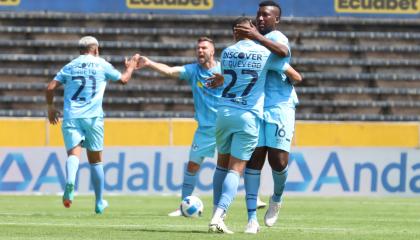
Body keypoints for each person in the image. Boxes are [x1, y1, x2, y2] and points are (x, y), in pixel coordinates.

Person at [208, 17, 301, 234]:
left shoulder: (227, 53)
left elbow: (231, 73)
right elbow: (290, 66)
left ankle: (216, 211)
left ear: (234, 33)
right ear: (250, 30)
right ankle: (218, 215)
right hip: (248, 116)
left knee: (221, 164)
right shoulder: (264, 54)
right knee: (237, 168)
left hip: (224, 112)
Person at [45, 36, 140, 214]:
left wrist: (51, 108)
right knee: (96, 161)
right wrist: (131, 67)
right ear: (96, 49)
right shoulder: (101, 64)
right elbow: (124, 80)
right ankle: (98, 202)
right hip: (94, 118)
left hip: (72, 116)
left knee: (73, 154)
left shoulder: (70, 66)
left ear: (80, 50)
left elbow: (50, 88)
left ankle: (70, 182)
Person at [137, 37, 228, 217]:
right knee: (192, 167)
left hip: (225, 127)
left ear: (213, 51)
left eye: (204, 48)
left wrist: (224, 78)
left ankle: (221, 209)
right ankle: (184, 205)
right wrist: (149, 63)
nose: (200, 51)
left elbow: (240, 81)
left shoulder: (223, 69)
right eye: (198, 48)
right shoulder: (193, 71)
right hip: (204, 130)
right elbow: (171, 71)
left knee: (227, 169)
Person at [234, 0, 303, 230]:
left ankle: (277, 198)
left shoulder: (277, 38)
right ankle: (251, 219)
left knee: (278, 160)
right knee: (254, 159)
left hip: (280, 106)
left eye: (266, 15)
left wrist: (257, 37)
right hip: (256, 106)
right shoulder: (253, 43)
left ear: (276, 20)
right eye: (258, 14)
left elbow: (283, 53)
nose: (261, 18)